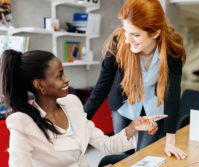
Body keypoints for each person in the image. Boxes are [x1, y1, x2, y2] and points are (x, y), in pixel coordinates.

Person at [1, 49, 167, 167]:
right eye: (59, 75)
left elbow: (106, 145)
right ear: (39, 84)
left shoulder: (72, 104)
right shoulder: (22, 123)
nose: (67, 79)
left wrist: (133, 127)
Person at [84, 0, 186, 160]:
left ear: (155, 33)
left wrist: (170, 140)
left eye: (136, 35)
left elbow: (172, 93)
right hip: (124, 104)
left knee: (143, 155)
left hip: (152, 108)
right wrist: (80, 122)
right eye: (126, 31)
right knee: (122, 154)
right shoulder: (118, 44)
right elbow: (101, 87)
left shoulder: (172, 50)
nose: (127, 40)